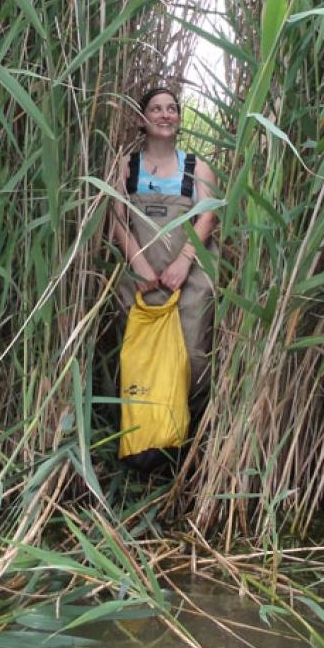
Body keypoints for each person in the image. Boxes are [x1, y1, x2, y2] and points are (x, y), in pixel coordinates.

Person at [112, 86, 218, 412]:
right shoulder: (126, 166)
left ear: (179, 118)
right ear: (142, 119)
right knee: (138, 358)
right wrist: (139, 264)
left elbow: (208, 217)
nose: (165, 115)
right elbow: (116, 218)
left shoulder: (196, 167)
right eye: (156, 109)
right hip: (139, 276)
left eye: (171, 108)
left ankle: (186, 440)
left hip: (187, 278)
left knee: (193, 355)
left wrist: (184, 263)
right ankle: (140, 441)